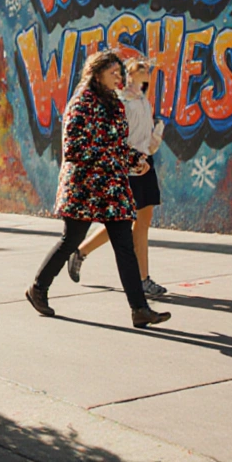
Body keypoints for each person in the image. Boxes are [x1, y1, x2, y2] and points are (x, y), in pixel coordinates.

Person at [25, 50, 171, 329]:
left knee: (123, 244)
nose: (119, 77)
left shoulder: (114, 103)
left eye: (120, 72)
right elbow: (75, 148)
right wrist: (116, 160)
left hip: (112, 186)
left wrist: (134, 161)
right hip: (84, 186)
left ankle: (139, 309)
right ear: (97, 72)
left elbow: (115, 144)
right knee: (71, 240)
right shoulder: (81, 103)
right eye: (113, 72)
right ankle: (38, 289)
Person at [67, 58, 168, 298]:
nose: (148, 73)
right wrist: (131, 157)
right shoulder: (120, 102)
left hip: (144, 164)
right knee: (124, 225)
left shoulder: (143, 100)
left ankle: (81, 252)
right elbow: (117, 137)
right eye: (142, 69)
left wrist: (153, 141)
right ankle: (141, 280)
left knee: (139, 223)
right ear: (130, 74)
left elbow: (143, 133)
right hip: (128, 166)